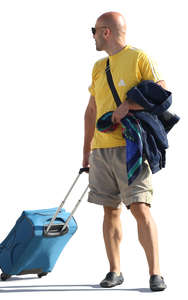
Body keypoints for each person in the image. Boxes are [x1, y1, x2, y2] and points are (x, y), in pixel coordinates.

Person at [83, 12, 167, 291]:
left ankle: (155, 274)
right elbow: (92, 110)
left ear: (106, 32)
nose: (92, 35)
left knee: (140, 209)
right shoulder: (98, 67)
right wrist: (86, 152)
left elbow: (162, 93)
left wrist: (128, 106)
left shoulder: (139, 58)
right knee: (110, 212)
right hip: (101, 150)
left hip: (130, 147)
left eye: (94, 30)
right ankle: (114, 271)